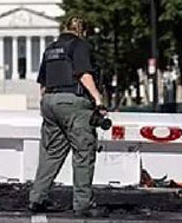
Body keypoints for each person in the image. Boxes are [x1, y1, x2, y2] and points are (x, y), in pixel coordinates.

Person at [28, 16, 107, 218]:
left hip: (49, 102)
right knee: (83, 152)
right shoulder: (78, 45)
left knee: (51, 153)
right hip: (73, 103)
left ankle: (37, 198)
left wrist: (47, 105)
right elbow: (83, 74)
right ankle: (83, 204)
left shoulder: (50, 49)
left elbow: (43, 84)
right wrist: (98, 100)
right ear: (83, 31)